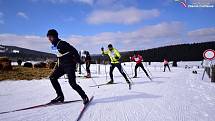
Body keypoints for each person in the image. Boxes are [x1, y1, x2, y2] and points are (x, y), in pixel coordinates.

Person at [47, 29, 89, 104]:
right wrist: (56, 65)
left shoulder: (62, 43)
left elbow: (74, 51)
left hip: (69, 66)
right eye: (48, 37)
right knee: (52, 77)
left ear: (55, 36)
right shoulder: (54, 46)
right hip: (61, 66)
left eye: (51, 37)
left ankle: (84, 96)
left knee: (72, 84)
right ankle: (60, 96)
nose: (49, 39)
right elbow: (59, 55)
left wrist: (78, 60)